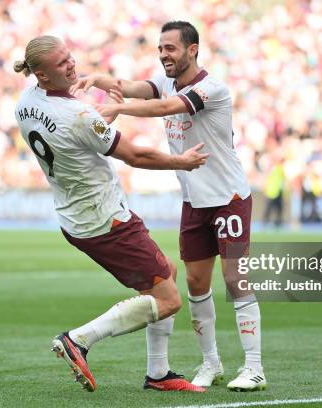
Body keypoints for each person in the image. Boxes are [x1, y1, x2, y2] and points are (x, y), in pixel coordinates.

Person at [73, 21, 266, 391]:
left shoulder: (212, 88)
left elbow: (165, 107)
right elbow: (131, 86)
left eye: (171, 49)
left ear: (192, 50)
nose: (164, 55)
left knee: (234, 278)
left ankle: (254, 367)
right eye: (160, 49)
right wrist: (97, 78)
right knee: (195, 283)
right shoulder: (164, 80)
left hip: (230, 200)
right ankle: (211, 363)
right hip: (194, 201)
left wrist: (120, 108)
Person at [13, 35, 209, 393]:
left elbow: (68, 123)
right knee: (168, 300)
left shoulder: (25, 102)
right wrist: (181, 161)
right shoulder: (79, 116)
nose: (72, 65)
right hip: (106, 219)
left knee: (167, 269)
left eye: (70, 57)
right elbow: (136, 156)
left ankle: (159, 373)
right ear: (41, 74)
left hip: (75, 216)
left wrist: (94, 104)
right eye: (62, 64)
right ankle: (79, 340)